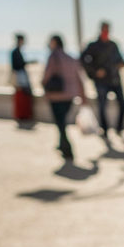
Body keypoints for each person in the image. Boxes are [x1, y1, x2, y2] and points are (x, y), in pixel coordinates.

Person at [41, 34, 88, 162]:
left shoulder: (53, 56)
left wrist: (43, 84)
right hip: (70, 96)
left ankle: (67, 149)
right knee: (62, 122)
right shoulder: (70, 58)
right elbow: (78, 77)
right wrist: (83, 95)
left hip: (56, 96)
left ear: (55, 43)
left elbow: (47, 74)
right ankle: (62, 145)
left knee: (60, 123)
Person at [81, 21, 124, 138]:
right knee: (102, 106)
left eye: (108, 30)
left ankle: (119, 129)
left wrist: (121, 64)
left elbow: (120, 59)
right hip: (101, 82)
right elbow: (83, 60)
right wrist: (95, 72)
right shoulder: (93, 45)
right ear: (101, 30)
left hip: (115, 79)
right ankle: (105, 129)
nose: (106, 32)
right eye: (104, 29)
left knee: (123, 104)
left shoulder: (113, 45)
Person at [11, 33, 34, 124]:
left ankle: (24, 115)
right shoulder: (15, 52)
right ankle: (21, 115)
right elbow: (16, 66)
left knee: (24, 95)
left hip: (21, 77)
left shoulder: (18, 51)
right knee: (21, 95)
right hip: (19, 78)